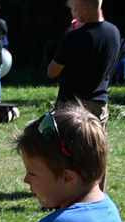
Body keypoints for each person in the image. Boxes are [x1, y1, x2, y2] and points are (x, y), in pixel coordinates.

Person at [47, 0, 119, 128]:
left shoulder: (74, 37)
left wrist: (71, 33)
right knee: (95, 146)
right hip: (99, 105)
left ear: (83, 7)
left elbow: (52, 72)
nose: (72, 13)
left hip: (72, 107)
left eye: (74, 8)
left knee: (67, 147)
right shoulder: (114, 32)